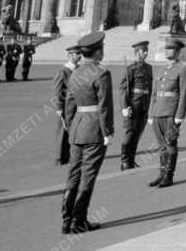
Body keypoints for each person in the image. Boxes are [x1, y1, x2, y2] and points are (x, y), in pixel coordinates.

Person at [61, 31, 112, 234]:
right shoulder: (101, 73)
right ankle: (79, 220)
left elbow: (69, 104)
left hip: (77, 128)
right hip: (93, 129)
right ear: (98, 52)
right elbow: (104, 106)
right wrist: (107, 131)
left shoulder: (75, 72)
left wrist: (72, 126)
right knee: (88, 175)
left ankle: (66, 220)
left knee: (73, 174)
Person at [147, 38, 186, 188]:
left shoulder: (183, 70)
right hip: (158, 111)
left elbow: (184, 94)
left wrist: (180, 116)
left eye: (171, 49)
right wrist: (150, 114)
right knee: (161, 145)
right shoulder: (161, 69)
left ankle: (169, 175)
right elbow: (154, 93)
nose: (167, 51)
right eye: (166, 48)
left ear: (178, 52)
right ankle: (161, 173)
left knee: (170, 143)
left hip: (171, 113)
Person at [119, 40, 153, 170]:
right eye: (143, 50)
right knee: (130, 132)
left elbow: (149, 88)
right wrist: (124, 107)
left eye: (146, 50)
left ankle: (131, 159)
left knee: (138, 133)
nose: (145, 53)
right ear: (136, 52)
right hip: (133, 104)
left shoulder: (149, 68)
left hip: (144, 104)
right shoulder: (130, 69)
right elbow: (123, 89)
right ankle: (124, 161)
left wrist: (149, 105)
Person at [53, 44, 82, 166]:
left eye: (80, 53)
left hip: (78, 104)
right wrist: (59, 107)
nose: (79, 56)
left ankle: (71, 155)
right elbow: (58, 90)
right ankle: (60, 157)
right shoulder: (64, 70)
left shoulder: (79, 69)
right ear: (70, 55)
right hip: (66, 105)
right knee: (63, 130)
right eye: (76, 54)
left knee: (74, 129)